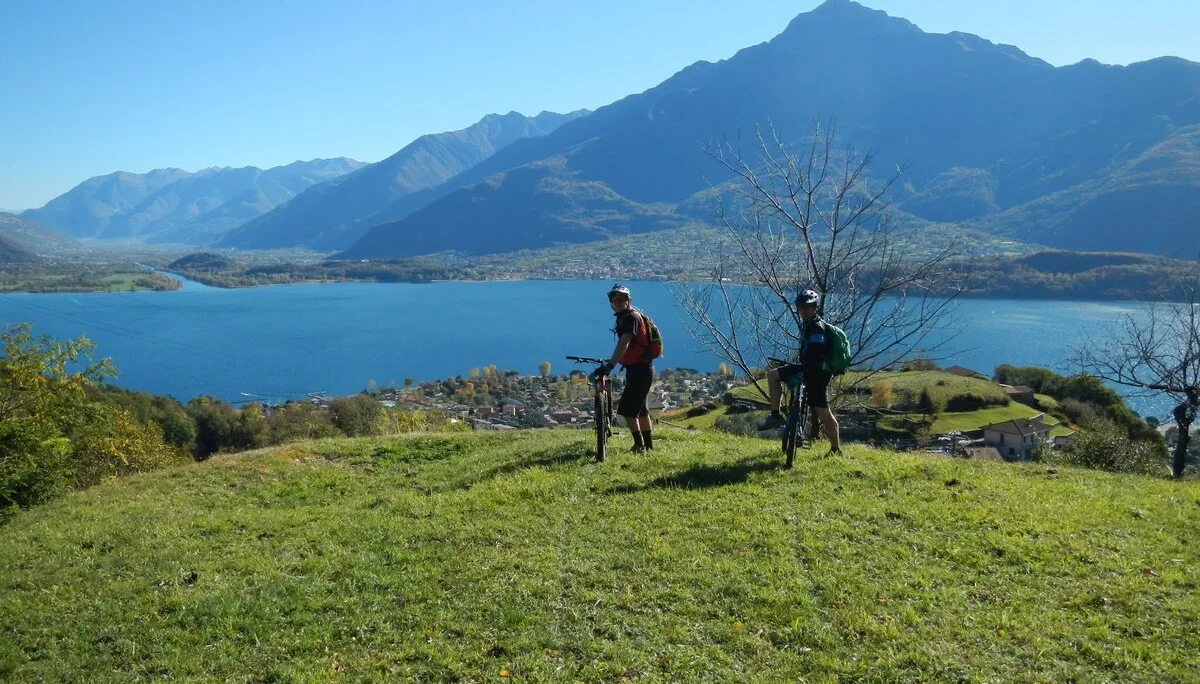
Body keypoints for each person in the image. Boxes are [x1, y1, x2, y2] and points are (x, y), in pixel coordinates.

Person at [757, 289, 841, 455]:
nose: (803, 311)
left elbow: (814, 354)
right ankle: (777, 415)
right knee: (773, 375)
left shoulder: (817, 328)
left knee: (823, 411)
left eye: (807, 307)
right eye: (801, 307)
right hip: (811, 369)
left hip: (816, 372)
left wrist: (800, 368)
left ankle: (835, 448)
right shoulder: (809, 325)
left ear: (815, 308)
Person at [592, 284, 655, 453]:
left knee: (627, 411)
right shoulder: (627, 317)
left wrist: (610, 366)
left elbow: (624, 343)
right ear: (611, 302)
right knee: (641, 410)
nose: (618, 302)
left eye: (622, 299)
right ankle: (648, 446)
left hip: (640, 370)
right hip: (640, 369)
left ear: (629, 301)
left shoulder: (631, 318)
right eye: (615, 299)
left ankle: (639, 446)